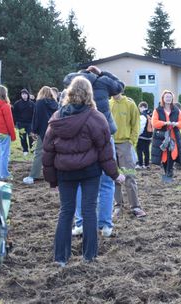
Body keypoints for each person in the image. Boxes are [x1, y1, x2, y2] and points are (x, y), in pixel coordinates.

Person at [42, 77, 125, 266]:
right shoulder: (96, 118)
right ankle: (89, 256)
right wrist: (115, 174)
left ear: (69, 93)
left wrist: (52, 180)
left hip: (65, 173)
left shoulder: (57, 118)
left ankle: (60, 258)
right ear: (90, 94)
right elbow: (105, 152)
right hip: (90, 172)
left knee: (66, 212)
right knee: (89, 211)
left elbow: (48, 152)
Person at [65, 66, 124, 238]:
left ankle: (81, 223)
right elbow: (120, 86)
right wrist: (103, 72)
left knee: (80, 183)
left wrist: (83, 72)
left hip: (82, 137)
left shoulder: (75, 81)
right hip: (104, 135)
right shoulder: (103, 82)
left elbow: (66, 78)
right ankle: (105, 225)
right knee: (107, 183)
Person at [110, 92, 146, 218]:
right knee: (114, 176)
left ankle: (135, 206)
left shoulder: (130, 104)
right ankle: (117, 206)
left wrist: (131, 141)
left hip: (125, 143)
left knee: (129, 175)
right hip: (110, 144)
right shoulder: (108, 104)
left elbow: (136, 124)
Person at [23, 86, 59, 185]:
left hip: (43, 131)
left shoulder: (39, 103)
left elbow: (36, 118)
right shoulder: (56, 103)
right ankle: (58, 174)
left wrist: (33, 130)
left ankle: (33, 176)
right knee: (55, 153)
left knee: (39, 153)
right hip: (55, 131)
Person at [151, 90, 181, 183]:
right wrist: (164, 123)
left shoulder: (176, 110)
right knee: (164, 155)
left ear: (172, 99)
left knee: (173, 154)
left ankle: (169, 173)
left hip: (173, 136)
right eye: (166, 97)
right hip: (161, 136)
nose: (168, 98)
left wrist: (176, 123)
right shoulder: (157, 110)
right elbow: (154, 123)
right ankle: (167, 173)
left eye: (170, 97)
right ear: (163, 98)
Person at [0, 85, 16, 180]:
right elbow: (9, 122)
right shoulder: (5, 106)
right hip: (4, 133)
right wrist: (13, 136)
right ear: (5, 93)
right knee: (4, 154)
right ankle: (4, 174)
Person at [12, 89, 34, 156]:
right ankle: (25, 150)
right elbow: (14, 113)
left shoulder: (32, 103)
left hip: (30, 123)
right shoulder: (17, 103)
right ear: (21, 95)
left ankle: (32, 149)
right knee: (22, 137)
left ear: (28, 95)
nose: (24, 95)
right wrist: (16, 122)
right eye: (23, 94)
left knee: (31, 137)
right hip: (21, 123)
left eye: (25, 94)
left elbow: (35, 114)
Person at [136, 101, 153, 169]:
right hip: (149, 136)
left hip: (142, 136)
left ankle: (140, 164)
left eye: (139, 108)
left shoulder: (143, 116)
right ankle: (147, 164)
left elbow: (141, 126)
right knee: (146, 150)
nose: (139, 110)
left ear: (142, 107)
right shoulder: (151, 115)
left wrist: (138, 134)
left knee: (139, 150)